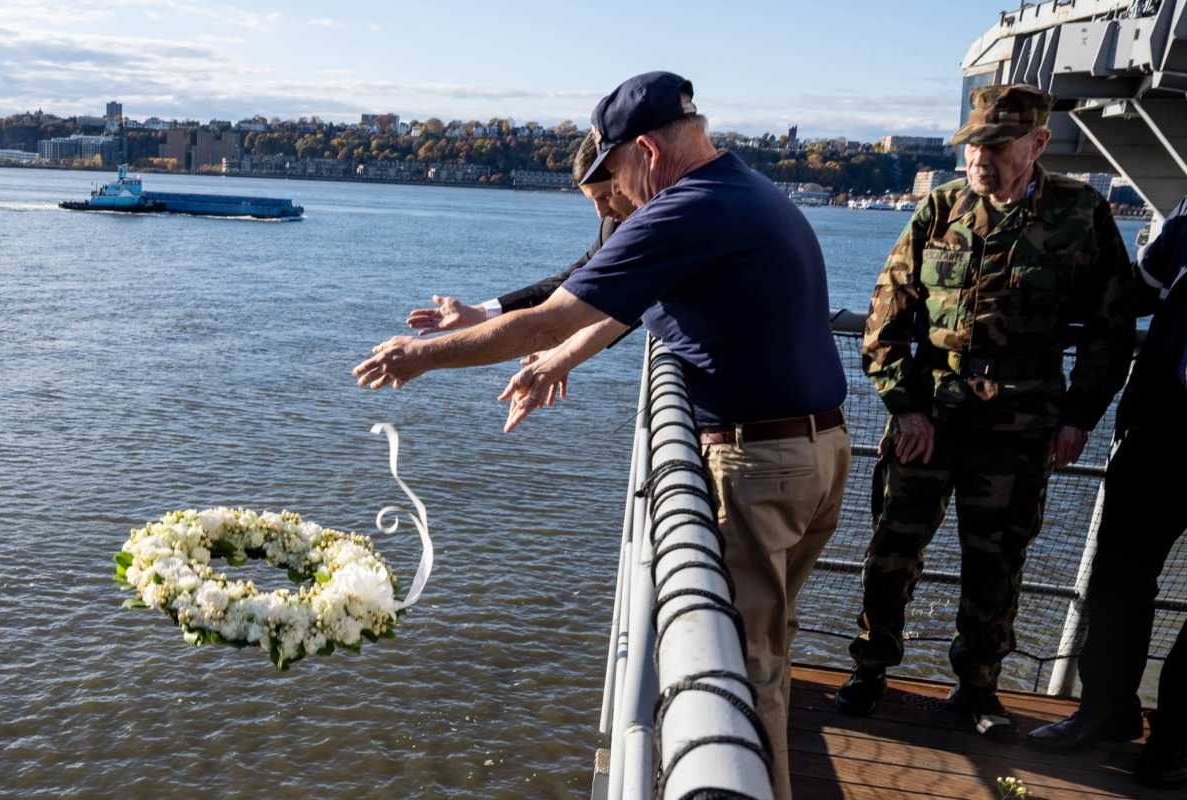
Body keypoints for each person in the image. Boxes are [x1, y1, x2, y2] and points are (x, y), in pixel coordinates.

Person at [353, 70, 850, 799]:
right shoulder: (743, 189)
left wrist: (420, 357)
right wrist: (559, 357)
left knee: (741, 677)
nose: (614, 194)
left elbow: (554, 314)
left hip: (761, 465)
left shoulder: (686, 208)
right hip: (817, 453)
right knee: (765, 644)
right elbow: (615, 303)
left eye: (613, 172)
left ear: (645, 150)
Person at [835, 84, 1137, 741]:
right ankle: (869, 670)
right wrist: (902, 404)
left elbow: (1113, 328)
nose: (981, 157)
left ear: (1035, 144)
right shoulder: (941, 208)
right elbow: (888, 310)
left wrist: (1079, 415)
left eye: (997, 146)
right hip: (931, 415)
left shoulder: (1080, 214)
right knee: (891, 552)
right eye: (973, 145)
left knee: (995, 565)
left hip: (1021, 425)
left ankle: (976, 690)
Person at [1026, 196, 1187, 790]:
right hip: (1162, 425)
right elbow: (1130, 293)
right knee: (1118, 577)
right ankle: (1106, 711)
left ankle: (1176, 739)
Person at [404, 135, 634, 337]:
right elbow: (571, 281)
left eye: (605, 197)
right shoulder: (611, 225)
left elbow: (617, 304)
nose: (600, 212)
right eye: (593, 200)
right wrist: (480, 313)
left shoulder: (658, 225)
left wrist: (560, 352)